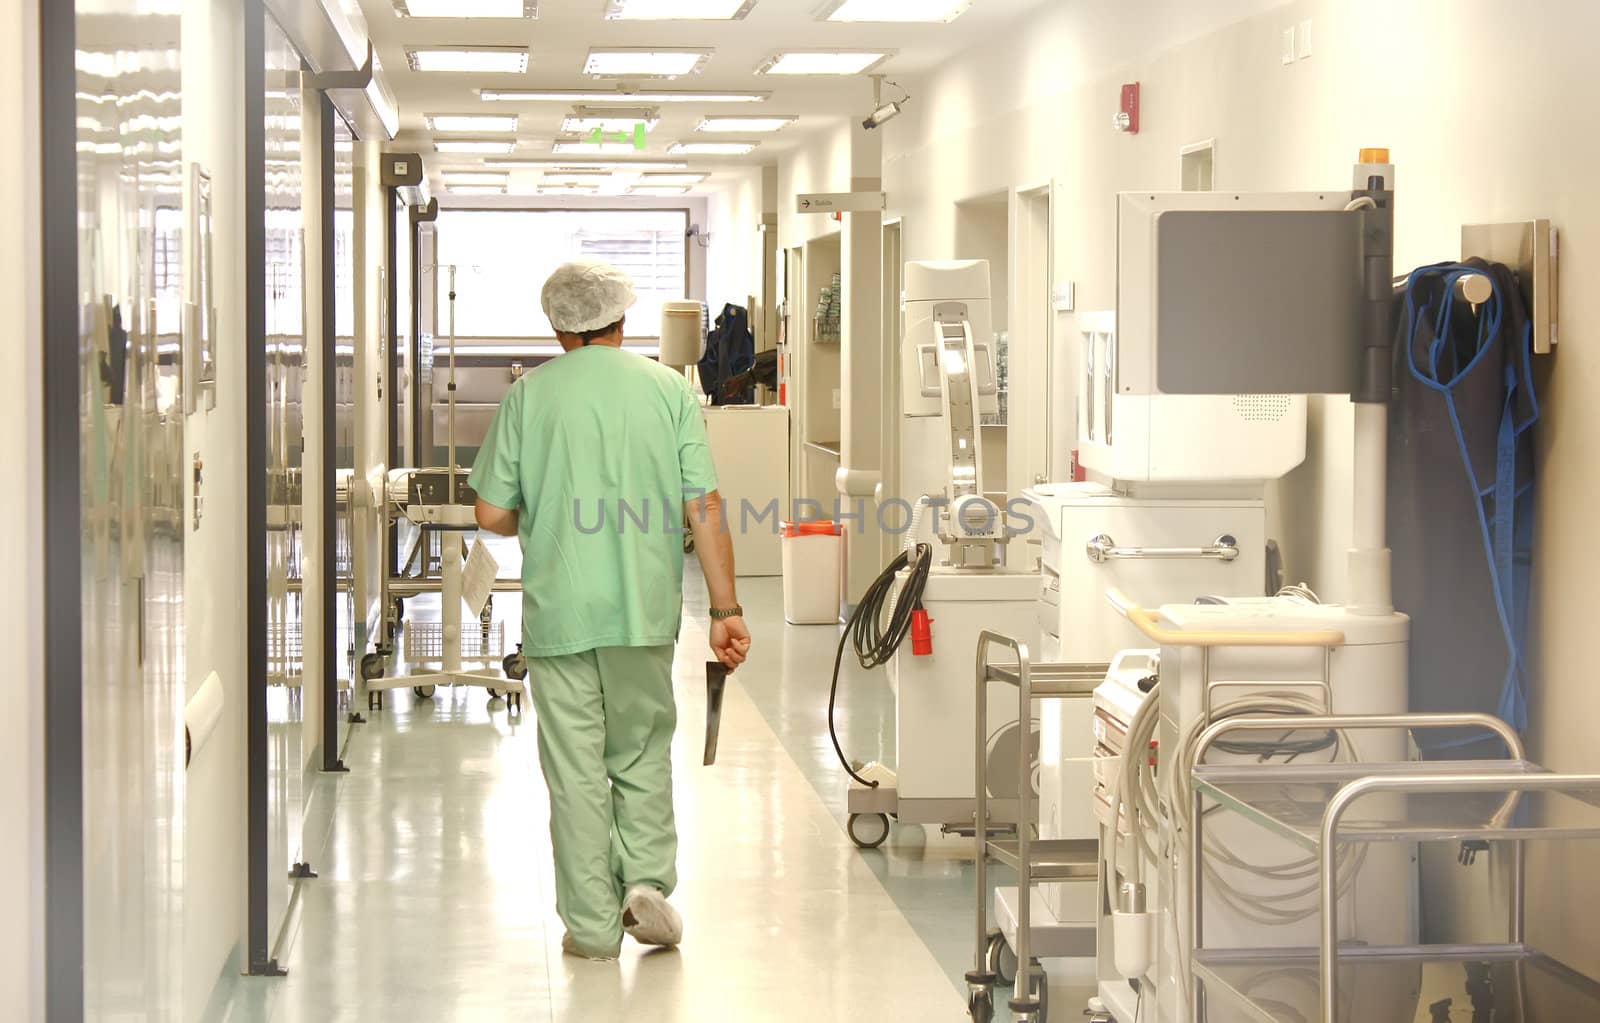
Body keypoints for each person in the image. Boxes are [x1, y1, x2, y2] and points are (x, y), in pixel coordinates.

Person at [469, 261, 752, 962]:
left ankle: (592, 925)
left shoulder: (528, 396)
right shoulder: (667, 390)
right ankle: (647, 883)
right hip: (643, 610)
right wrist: (727, 607)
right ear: (624, 320)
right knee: (641, 752)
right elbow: (703, 506)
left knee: (574, 770)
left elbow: (491, 511)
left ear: (558, 326)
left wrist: (535, 511)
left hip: (561, 614)